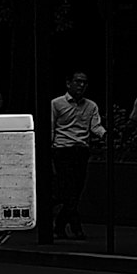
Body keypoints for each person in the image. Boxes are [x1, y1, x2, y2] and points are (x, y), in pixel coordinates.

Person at [43, 70, 105, 242]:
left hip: (81, 150)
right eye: (78, 82)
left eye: (84, 82)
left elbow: (95, 126)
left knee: (75, 189)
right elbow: (51, 126)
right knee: (69, 188)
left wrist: (104, 134)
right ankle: (75, 226)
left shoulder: (90, 106)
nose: (81, 85)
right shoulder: (56, 104)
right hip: (63, 149)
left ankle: (60, 224)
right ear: (68, 83)